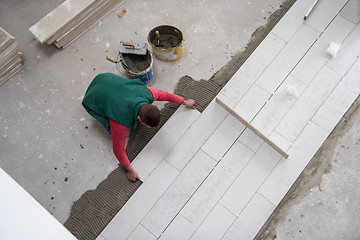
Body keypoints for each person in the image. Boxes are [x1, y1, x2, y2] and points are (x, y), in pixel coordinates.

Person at [82, 73, 196, 181]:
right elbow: (118, 151)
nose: (147, 128)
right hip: (93, 96)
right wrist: (130, 171)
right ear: (139, 119)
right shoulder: (120, 122)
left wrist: (185, 102)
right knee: (114, 132)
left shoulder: (147, 92)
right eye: (146, 125)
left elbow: (167, 95)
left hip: (105, 78)